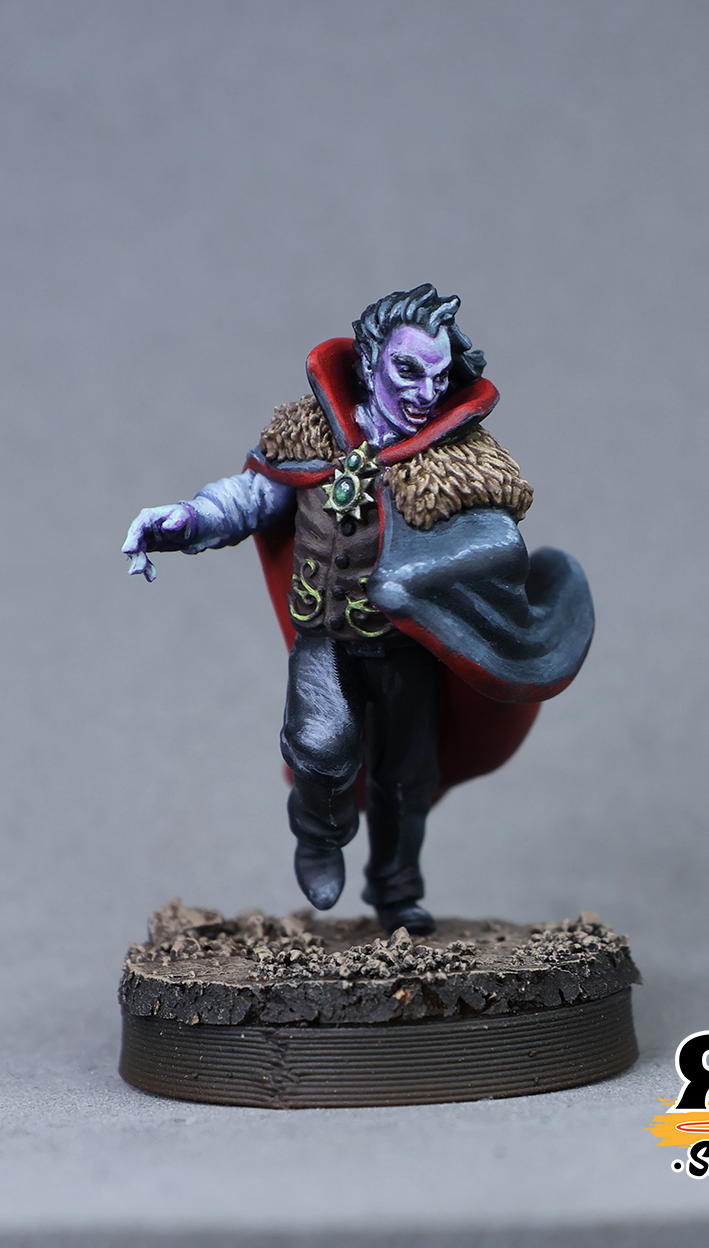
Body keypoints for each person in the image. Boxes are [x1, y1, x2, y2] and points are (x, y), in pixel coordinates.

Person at [123, 284, 594, 935]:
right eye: (407, 370)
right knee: (319, 746)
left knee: (406, 779)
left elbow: (495, 542)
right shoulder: (311, 437)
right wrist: (187, 519)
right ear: (370, 362)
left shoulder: (459, 463)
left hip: (408, 650)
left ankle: (396, 889)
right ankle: (319, 835)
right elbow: (252, 497)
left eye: (438, 377)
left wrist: (414, 577)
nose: (424, 392)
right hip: (326, 636)